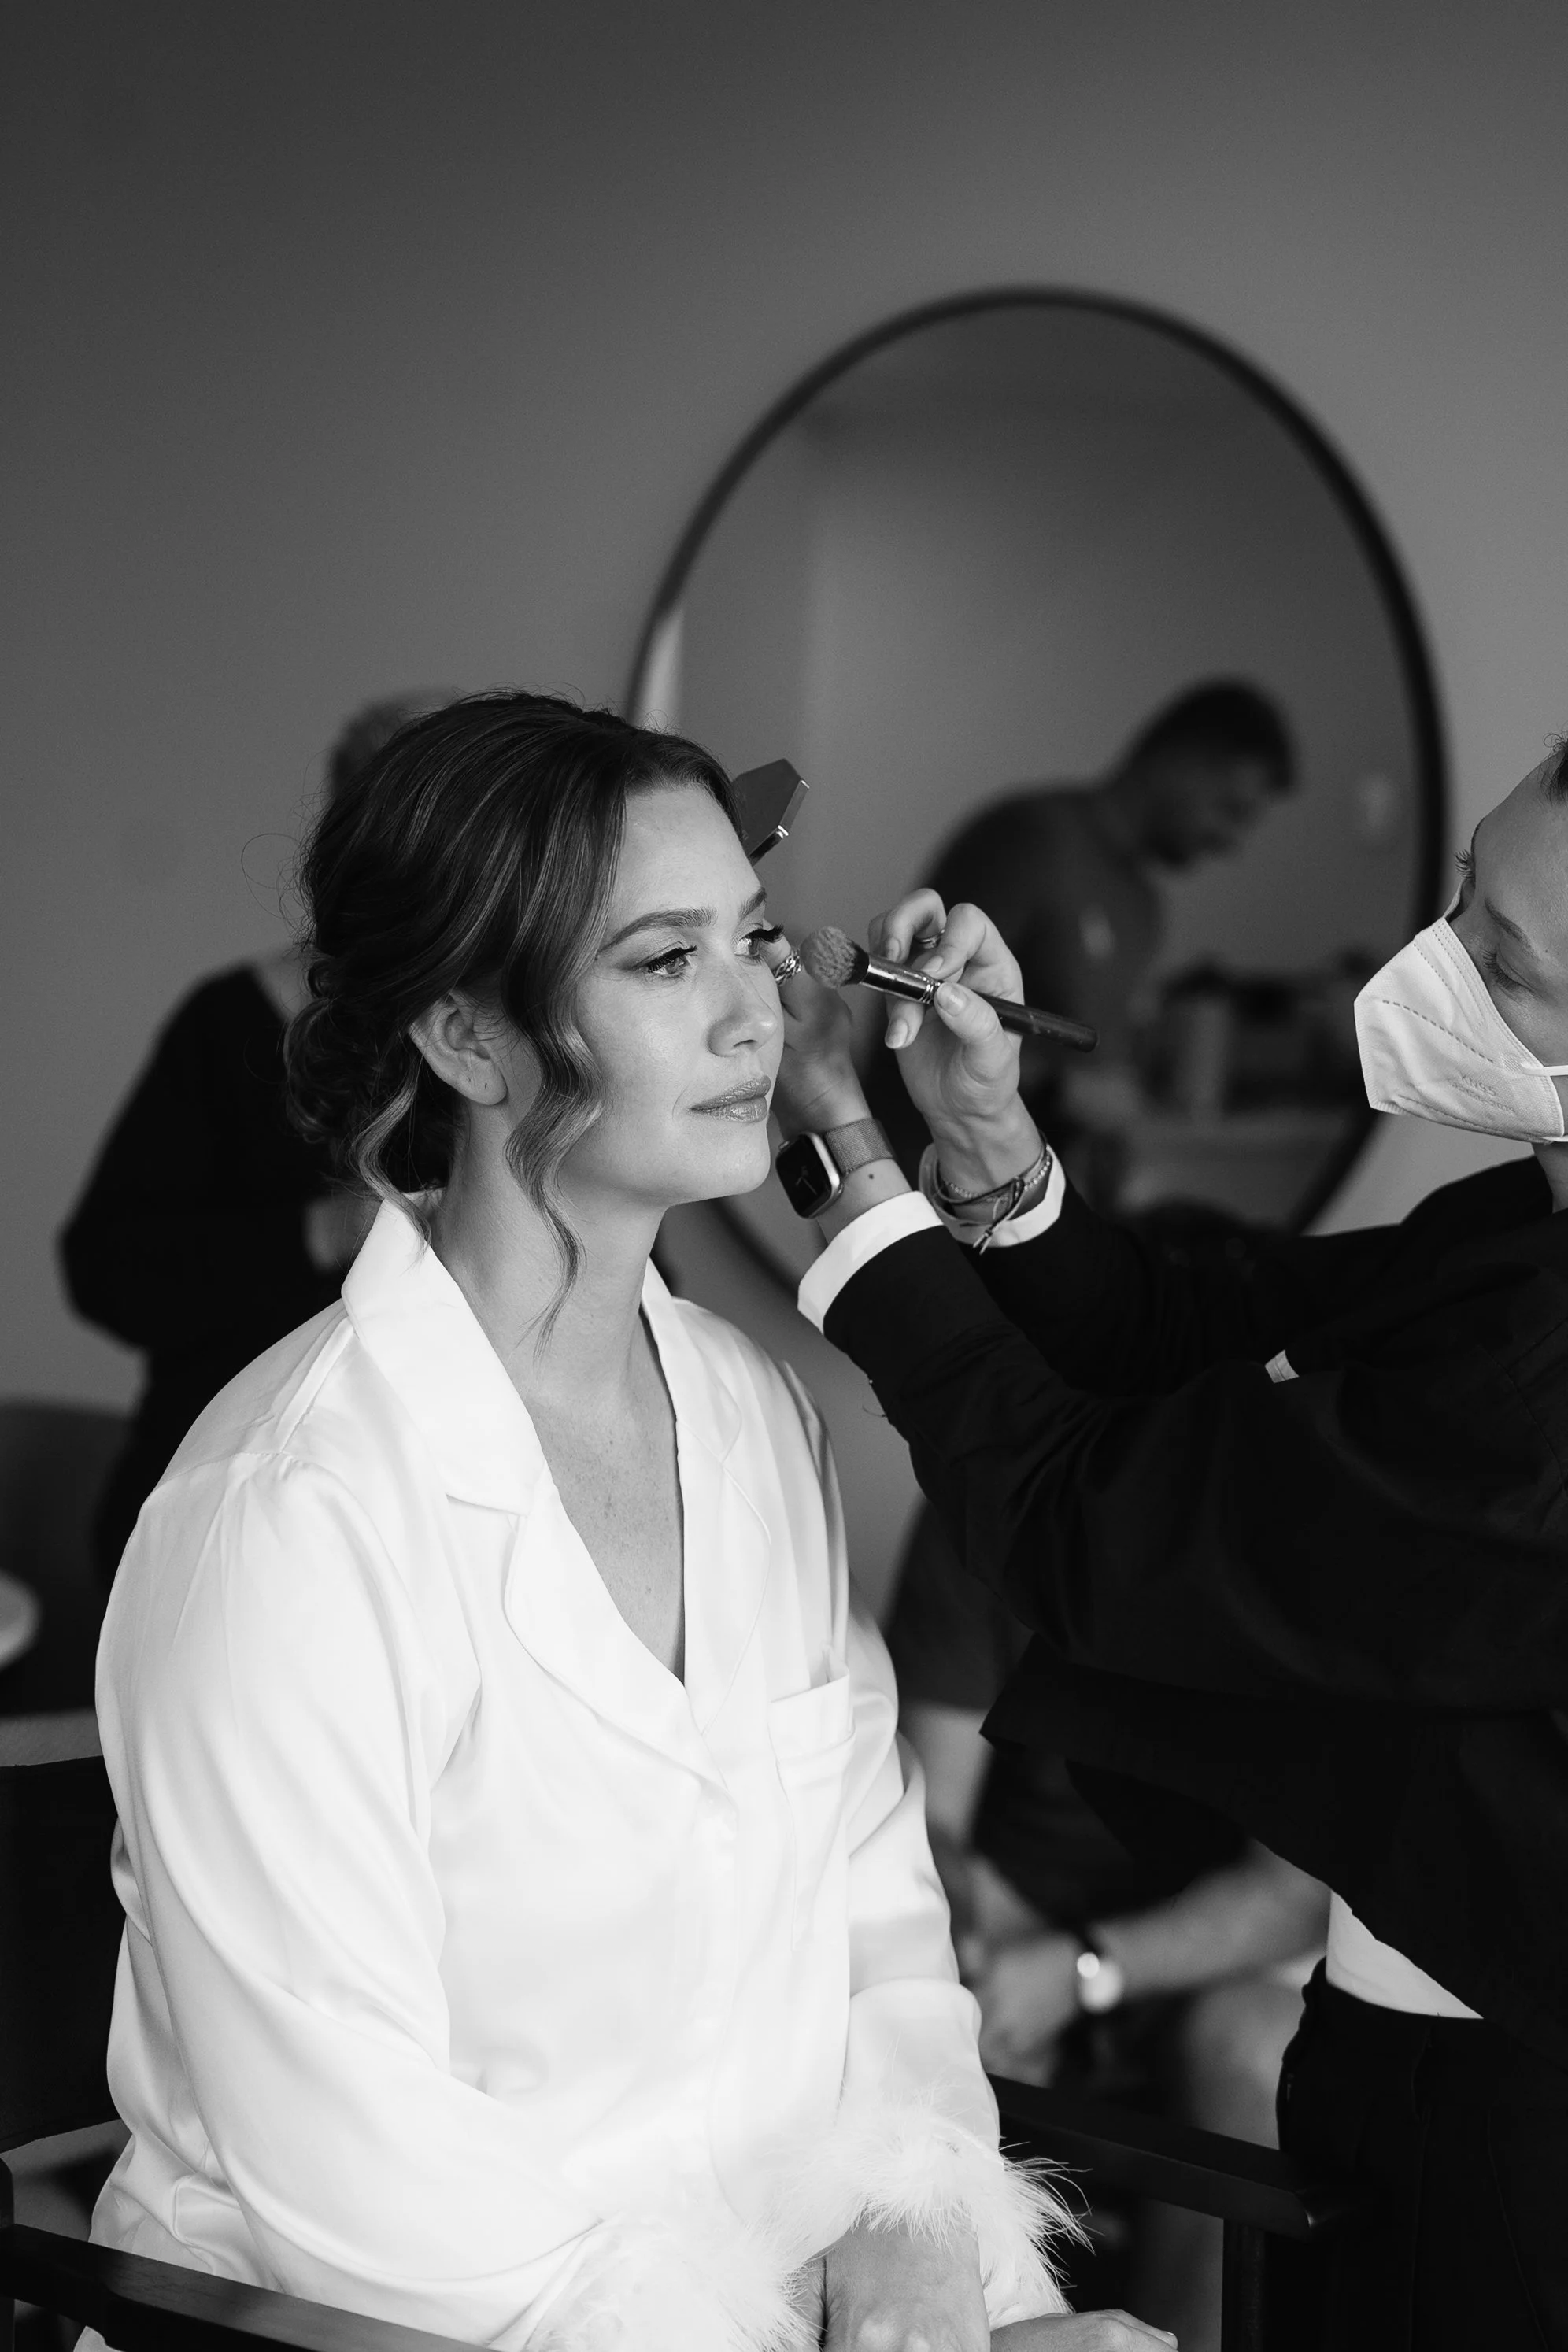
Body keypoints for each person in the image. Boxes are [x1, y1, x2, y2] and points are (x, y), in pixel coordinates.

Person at [87, 694, 1178, 2352]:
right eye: (667, 961)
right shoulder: (287, 1521)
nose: (759, 1014)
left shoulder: (755, 1419)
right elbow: (362, 2176)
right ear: (466, 1036)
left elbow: (878, 1909)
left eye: (753, 937)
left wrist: (912, 2219)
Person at [761, 738, 1568, 2350]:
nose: (1436, 967)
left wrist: (846, 1156)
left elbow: (1096, 1522)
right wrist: (984, 1140)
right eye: (1463, 898)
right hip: (1397, 2041)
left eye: (1507, 965)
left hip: (1515, 2117)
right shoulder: (1517, 1230)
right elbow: (1209, 1335)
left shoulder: (1540, 1386)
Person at [889, 1525, 1326, 2349]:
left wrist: (1079, 1973)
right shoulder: (986, 1514)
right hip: (1008, 1919)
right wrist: (971, 1962)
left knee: (1256, 2052)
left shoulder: (1299, 1542)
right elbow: (928, 1823)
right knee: (911, 2025)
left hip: (1206, 1956)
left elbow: (1293, 1897)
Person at [60, 693, 448, 1582]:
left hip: (425, 1534)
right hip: (220, 1516)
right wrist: (325, 1230)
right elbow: (107, 1268)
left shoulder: (523, 1041)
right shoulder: (226, 1025)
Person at [869, 681, 1295, 1196]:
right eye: (1230, 809)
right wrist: (1066, 1088)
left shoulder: (1146, 907)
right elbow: (924, 1006)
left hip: (1033, 1197)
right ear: (1178, 760)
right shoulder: (1032, 840)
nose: (1232, 842)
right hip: (921, 1181)